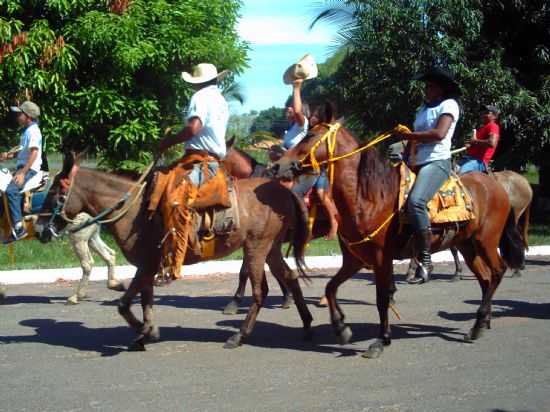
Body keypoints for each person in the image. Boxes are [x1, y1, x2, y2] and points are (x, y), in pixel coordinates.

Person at [397, 67, 461, 284]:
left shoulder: (449, 105)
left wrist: (409, 135)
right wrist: (404, 155)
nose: (427, 89)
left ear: (441, 89)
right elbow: (413, 140)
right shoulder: (422, 109)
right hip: (416, 161)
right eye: (427, 85)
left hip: (437, 162)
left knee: (416, 202)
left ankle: (425, 259)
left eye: (431, 85)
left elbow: (439, 134)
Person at [159, 63, 229, 184]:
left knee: (171, 192)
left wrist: (170, 141)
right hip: (213, 162)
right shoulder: (221, 100)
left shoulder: (200, 96)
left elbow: (193, 129)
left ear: (198, 82)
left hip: (200, 162)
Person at [0, 101, 43, 243]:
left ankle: (19, 228)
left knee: (11, 191)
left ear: (28, 116)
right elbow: (22, 153)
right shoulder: (26, 131)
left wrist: (23, 173)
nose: (17, 117)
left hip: (30, 169)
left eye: (20, 114)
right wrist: (8, 156)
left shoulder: (33, 131)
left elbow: (34, 154)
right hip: (23, 167)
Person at [458, 104, 500, 175]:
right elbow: (477, 144)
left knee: (459, 174)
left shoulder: (493, 126)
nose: (482, 114)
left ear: (494, 116)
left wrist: (475, 141)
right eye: (482, 112)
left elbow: (491, 143)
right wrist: (470, 145)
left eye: (486, 112)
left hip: (479, 161)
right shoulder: (481, 128)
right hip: (469, 158)